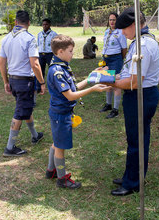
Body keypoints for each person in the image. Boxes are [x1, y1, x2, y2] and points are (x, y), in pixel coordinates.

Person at [45, 35, 111, 189]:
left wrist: (90, 78)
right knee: (60, 147)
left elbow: (73, 87)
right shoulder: (57, 71)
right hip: (61, 114)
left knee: (57, 142)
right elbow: (70, 95)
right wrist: (93, 89)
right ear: (60, 51)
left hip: (60, 112)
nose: (72, 54)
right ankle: (62, 179)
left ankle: (51, 170)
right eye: (70, 51)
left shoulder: (61, 66)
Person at [108, 8, 159, 196]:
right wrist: (111, 76)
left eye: (124, 28)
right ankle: (130, 175)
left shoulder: (143, 45)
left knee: (137, 141)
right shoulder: (139, 42)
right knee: (134, 138)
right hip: (137, 95)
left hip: (141, 95)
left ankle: (132, 183)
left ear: (133, 25)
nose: (122, 32)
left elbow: (135, 81)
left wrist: (110, 82)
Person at [0, 10, 45, 157]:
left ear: (16, 22)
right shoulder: (29, 38)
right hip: (25, 81)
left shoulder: (6, 38)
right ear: (29, 23)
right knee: (20, 112)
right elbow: (35, 64)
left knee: (25, 107)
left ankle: (35, 135)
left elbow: (1, 62)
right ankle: (10, 147)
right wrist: (42, 82)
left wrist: (6, 81)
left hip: (13, 80)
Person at [100, 13, 127, 119]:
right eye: (110, 20)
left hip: (116, 59)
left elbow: (124, 49)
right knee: (107, 81)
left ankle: (115, 110)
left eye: (114, 20)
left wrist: (119, 59)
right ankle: (108, 104)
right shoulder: (107, 31)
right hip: (106, 59)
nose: (112, 22)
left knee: (116, 83)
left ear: (118, 21)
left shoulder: (120, 32)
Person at [36, 19, 57, 95]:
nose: (44, 26)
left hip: (50, 54)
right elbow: (38, 44)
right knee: (40, 71)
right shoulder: (39, 34)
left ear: (49, 25)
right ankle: (38, 87)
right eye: (43, 24)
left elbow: (56, 45)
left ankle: (54, 86)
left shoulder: (54, 34)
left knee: (52, 70)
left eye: (46, 24)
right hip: (41, 54)